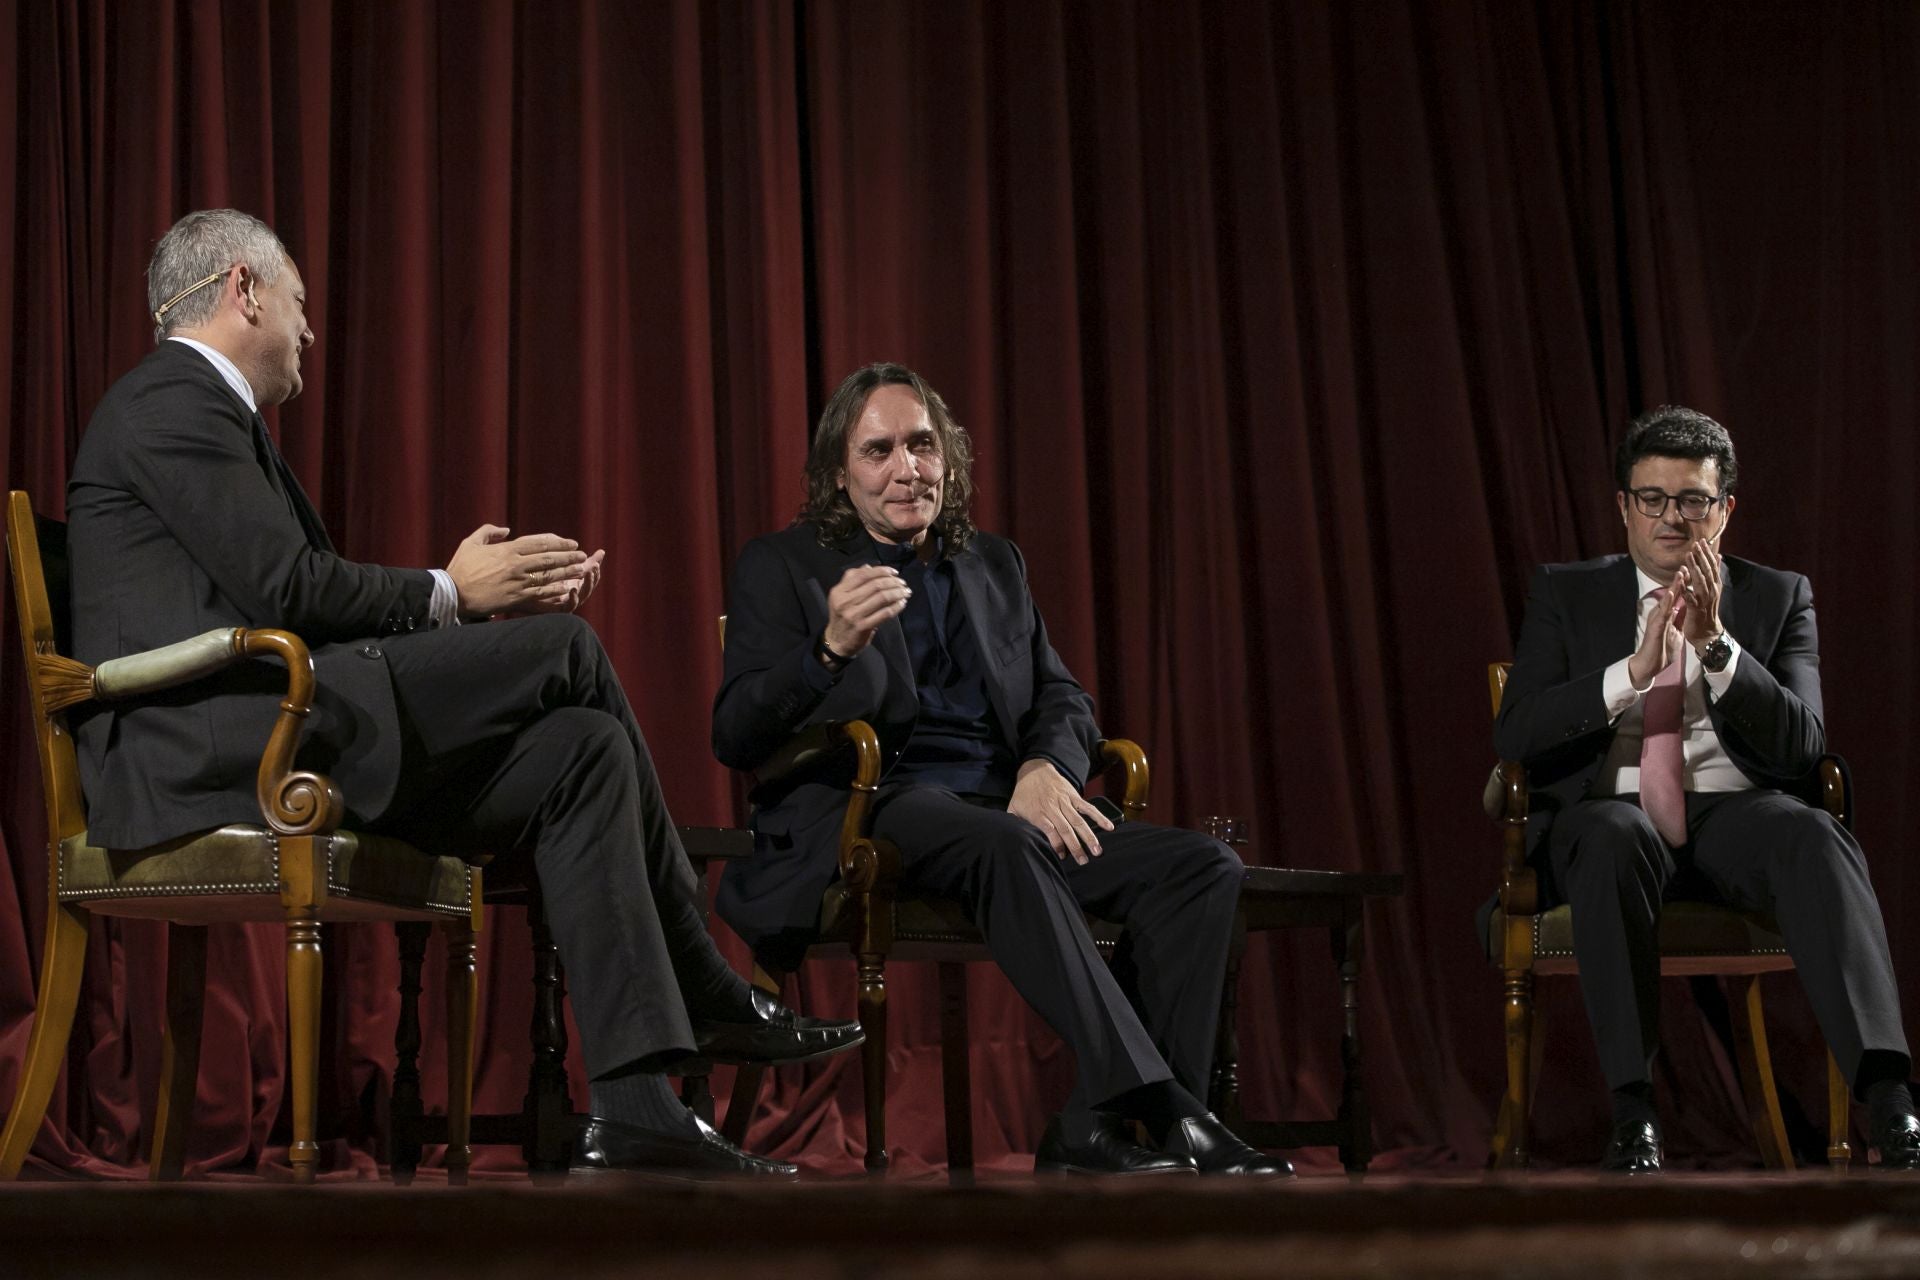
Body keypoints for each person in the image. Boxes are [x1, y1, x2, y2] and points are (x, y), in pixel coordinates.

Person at [65, 208, 861, 1179]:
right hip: (206, 744)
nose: (309, 329)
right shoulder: (173, 401)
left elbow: (295, 606)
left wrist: (466, 606)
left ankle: (637, 1103)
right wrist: (451, 592)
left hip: (279, 716)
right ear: (245, 291)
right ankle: (701, 975)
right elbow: (289, 592)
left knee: (585, 751)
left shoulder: (206, 415)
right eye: (299, 303)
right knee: (566, 647)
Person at [712, 362, 1290, 1177]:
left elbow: (1062, 696)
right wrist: (827, 649)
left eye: (922, 445)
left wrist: (1046, 766)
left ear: (948, 457)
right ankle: (1170, 1113)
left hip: (1003, 811)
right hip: (873, 808)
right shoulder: (785, 565)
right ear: (840, 474)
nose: (908, 469)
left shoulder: (992, 564)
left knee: (1200, 868)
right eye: (879, 451)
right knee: (1005, 843)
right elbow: (734, 732)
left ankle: (1095, 1124)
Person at [1494, 405, 1918, 1173]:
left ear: (1724, 511)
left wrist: (1717, 646)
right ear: (1623, 506)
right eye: (1652, 498)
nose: (1671, 517)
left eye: (1692, 500)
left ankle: (1891, 1102)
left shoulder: (1778, 596)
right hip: (1611, 815)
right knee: (1614, 836)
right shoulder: (1566, 594)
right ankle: (1634, 1113)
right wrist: (1630, 674)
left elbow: (1802, 746)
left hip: (1733, 817)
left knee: (1815, 834)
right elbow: (1518, 734)